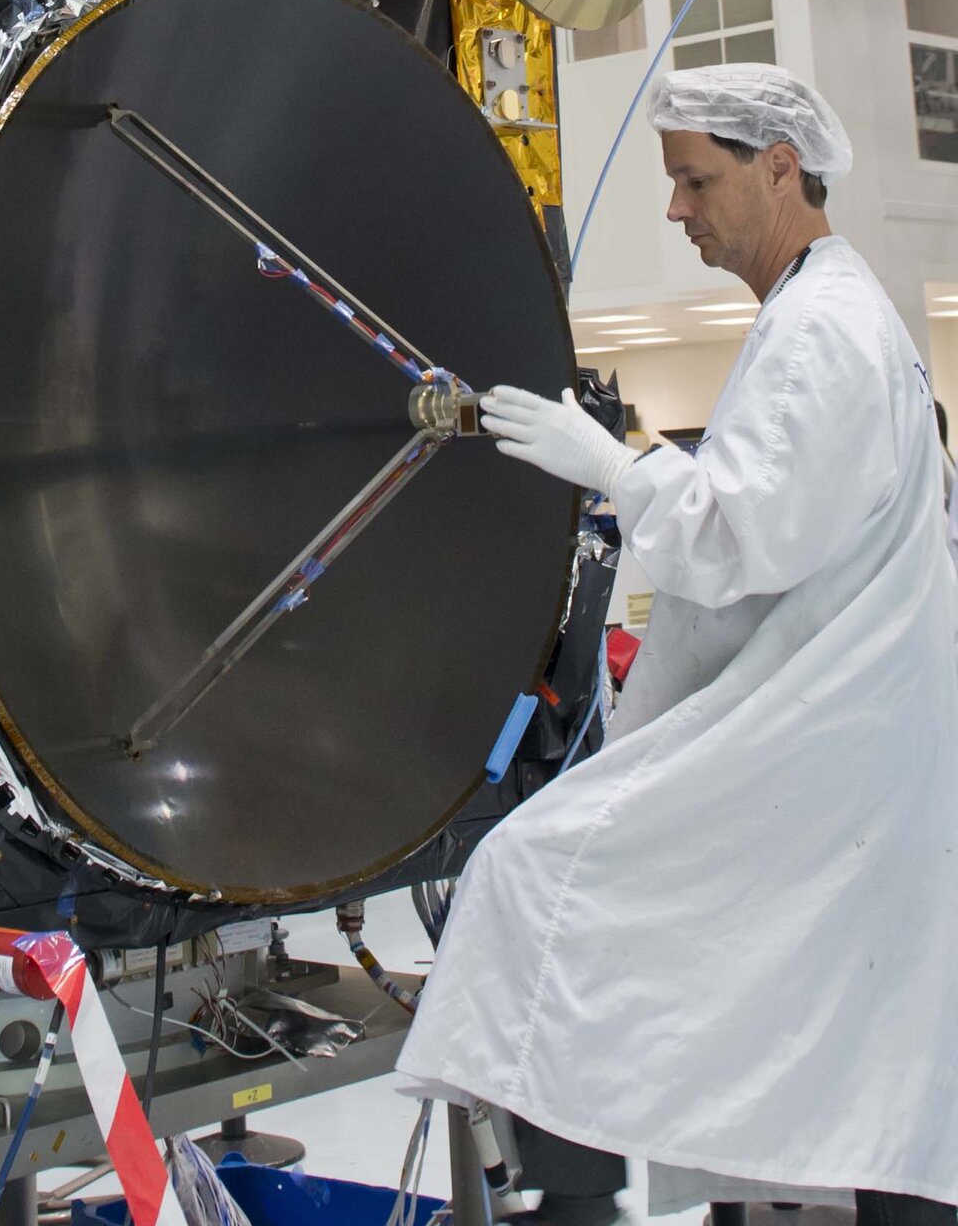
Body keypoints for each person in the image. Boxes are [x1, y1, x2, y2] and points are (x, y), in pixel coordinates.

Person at [397, 62, 958, 1224]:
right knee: (865, 1040)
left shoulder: (820, 331)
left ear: (780, 169)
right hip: (844, 735)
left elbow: (739, 536)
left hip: (816, 739)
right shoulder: (829, 311)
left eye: (696, 180)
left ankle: (573, 1199)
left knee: (528, 875)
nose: (676, 210)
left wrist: (616, 464)